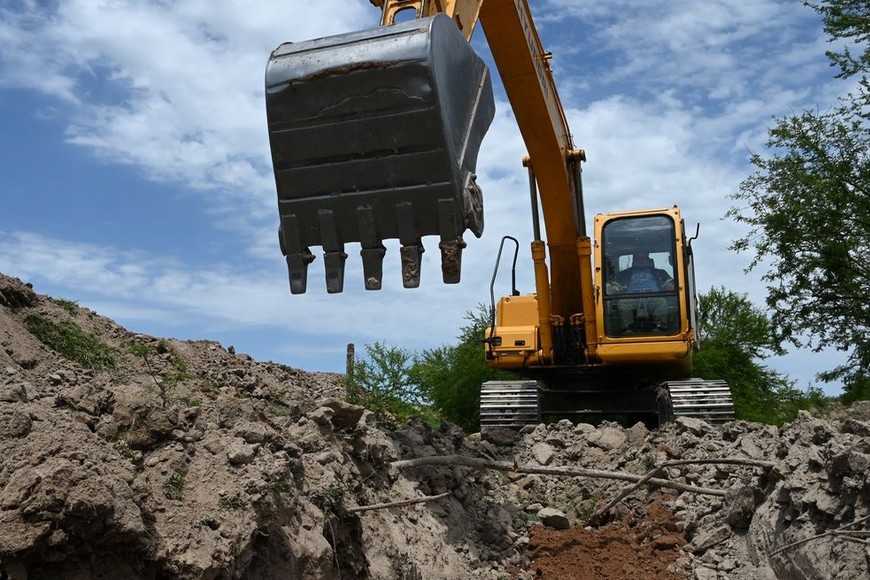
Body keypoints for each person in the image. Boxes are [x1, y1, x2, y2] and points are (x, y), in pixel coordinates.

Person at [606, 253, 674, 331]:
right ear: (633, 261)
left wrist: (669, 285)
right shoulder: (624, 274)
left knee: (662, 302)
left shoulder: (660, 272)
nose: (641, 261)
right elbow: (614, 284)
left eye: (643, 258)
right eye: (638, 258)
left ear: (649, 260)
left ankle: (660, 327)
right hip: (631, 298)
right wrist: (614, 287)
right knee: (623, 304)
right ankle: (627, 328)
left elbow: (670, 283)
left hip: (654, 297)